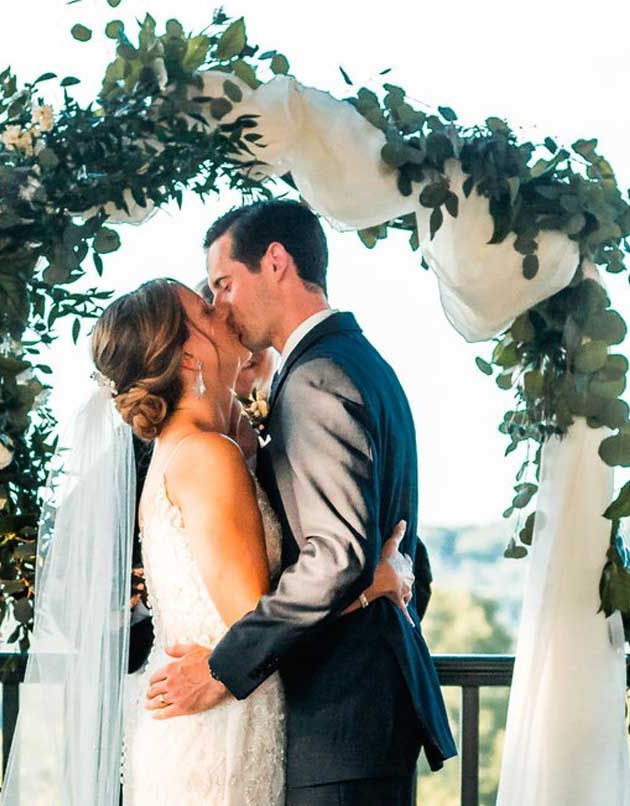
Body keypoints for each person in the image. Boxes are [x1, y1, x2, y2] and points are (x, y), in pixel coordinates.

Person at [145, 200, 457, 805]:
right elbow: (388, 537)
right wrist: (390, 572)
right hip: (353, 722)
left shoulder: (315, 379)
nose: (223, 308)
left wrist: (219, 670)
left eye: (224, 284)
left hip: (339, 719)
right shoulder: (358, 363)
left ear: (277, 263)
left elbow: (337, 556)